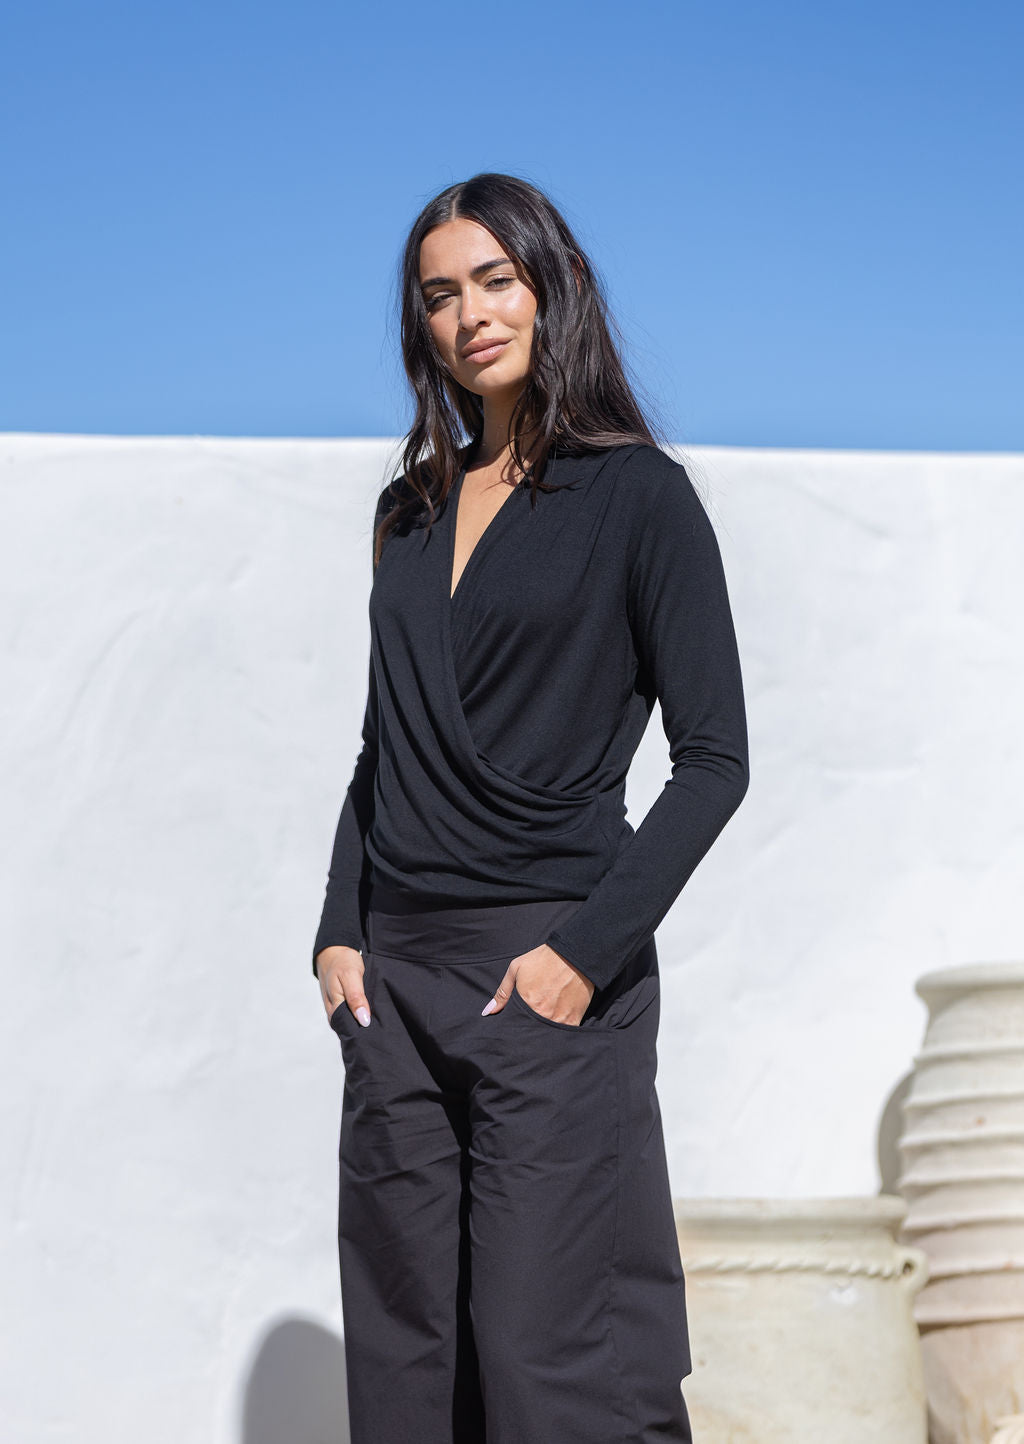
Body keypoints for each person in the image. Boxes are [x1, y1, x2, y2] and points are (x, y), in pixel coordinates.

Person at [312, 172, 750, 1444]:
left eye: (494, 280)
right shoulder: (410, 511)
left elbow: (714, 760)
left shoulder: (638, 497)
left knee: (555, 1363)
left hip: (545, 973)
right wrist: (340, 928)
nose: (469, 315)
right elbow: (383, 744)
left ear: (550, 285)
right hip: (393, 984)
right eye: (439, 295)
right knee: (405, 1359)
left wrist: (578, 958)